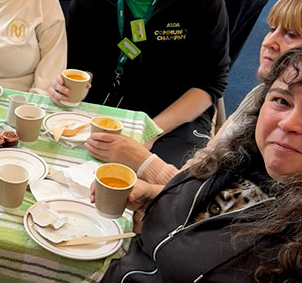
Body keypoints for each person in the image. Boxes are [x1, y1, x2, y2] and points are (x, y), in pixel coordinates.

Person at [51, 0, 229, 168]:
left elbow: (210, 83)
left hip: (173, 118)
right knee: (60, 165)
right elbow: (79, 66)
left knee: (168, 186)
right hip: (104, 109)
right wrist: (68, 85)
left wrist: (149, 131)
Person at [100, 47, 302, 282]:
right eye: (282, 101)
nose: (289, 123)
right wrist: (154, 198)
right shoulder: (243, 157)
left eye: (291, 34)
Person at [86, 0, 302, 185]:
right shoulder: (260, 94)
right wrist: (150, 192)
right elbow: (208, 161)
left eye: (291, 35)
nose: (268, 42)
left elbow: (218, 202)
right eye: (272, 29)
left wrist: (143, 162)